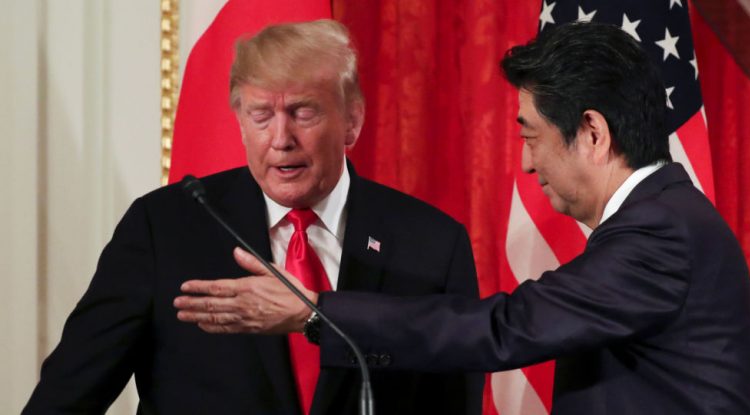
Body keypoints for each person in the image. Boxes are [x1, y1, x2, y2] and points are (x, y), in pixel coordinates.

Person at [175, 22, 750, 414]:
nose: (527, 163)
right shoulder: (664, 219)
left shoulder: (660, 234)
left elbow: (504, 330)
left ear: (592, 132)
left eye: (531, 136)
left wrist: (315, 312)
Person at [24, 19, 483, 415]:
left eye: (303, 112)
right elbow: (66, 398)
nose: (281, 139)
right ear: (240, 120)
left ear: (352, 120)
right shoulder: (164, 229)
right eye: (261, 114)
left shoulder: (432, 245)